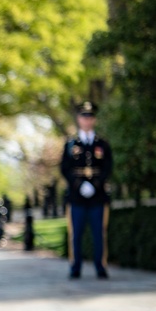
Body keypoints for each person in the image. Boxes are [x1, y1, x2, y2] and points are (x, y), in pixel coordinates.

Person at [61, 100, 113, 279]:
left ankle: (101, 266)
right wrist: (79, 184)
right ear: (78, 119)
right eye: (84, 116)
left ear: (94, 120)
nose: (87, 120)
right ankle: (75, 267)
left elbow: (107, 167)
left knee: (99, 233)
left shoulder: (102, 144)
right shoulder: (71, 144)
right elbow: (65, 168)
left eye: (90, 117)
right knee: (76, 235)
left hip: (97, 196)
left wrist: (95, 184)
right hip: (77, 196)